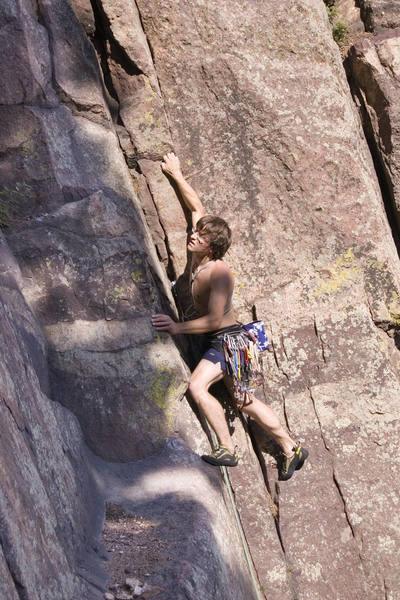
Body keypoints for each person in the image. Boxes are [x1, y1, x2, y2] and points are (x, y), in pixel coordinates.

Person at [151, 153, 308, 480]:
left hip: (230, 340)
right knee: (242, 400)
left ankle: (227, 448)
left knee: (197, 387)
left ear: (211, 248)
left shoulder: (218, 273)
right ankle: (290, 447)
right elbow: (196, 208)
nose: (194, 235)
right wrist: (177, 173)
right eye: (197, 232)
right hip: (221, 341)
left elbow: (214, 320)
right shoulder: (199, 254)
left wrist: (176, 326)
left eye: (202, 236)